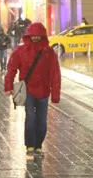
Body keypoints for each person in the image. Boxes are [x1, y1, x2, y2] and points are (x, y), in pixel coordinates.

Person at [4, 23, 61, 158]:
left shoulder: (48, 52)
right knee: (31, 118)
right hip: (28, 91)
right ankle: (30, 145)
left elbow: (55, 73)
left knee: (42, 122)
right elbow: (11, 69)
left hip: (44, 91)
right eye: (33, 35)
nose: (35, 38)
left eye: (38, 35)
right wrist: (8, 86)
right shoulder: (21, 50)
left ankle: (38, 145)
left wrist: (55, 94)